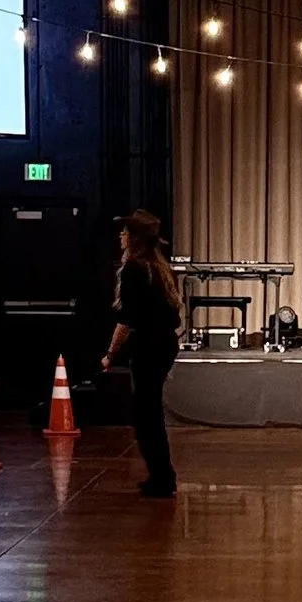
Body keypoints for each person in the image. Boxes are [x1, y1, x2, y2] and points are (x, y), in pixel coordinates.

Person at [103, 211, 182, 497]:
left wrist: (110, 354)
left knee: (145, 414)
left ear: (135, 238)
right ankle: (162, 475)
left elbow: (126, 319)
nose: (120, 236)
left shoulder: (134, 269)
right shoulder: (161, 269)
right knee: (150, 411)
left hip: (149, 346)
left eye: (125, 232)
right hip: (164, 344)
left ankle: (162, 478)